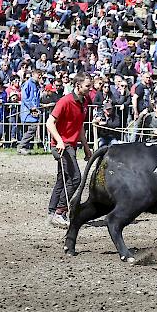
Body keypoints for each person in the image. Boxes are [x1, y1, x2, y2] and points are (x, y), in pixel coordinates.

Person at [45, 72, 93, 227]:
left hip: (71, 145)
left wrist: (86, 148)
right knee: (75, 178)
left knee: (63, 179)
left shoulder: (84, 102)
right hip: (61, 146)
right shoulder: (64, 101)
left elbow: (79, 127)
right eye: (87, 86)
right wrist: (59, 141)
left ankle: (53, 211)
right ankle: (60, 211)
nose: (89, 88)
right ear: (78, 85)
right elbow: (49, 123)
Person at [17, 69, 42, 155]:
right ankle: (21, 146)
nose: (40, 77)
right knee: (32, 128)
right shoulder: (28, 83)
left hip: (34, 112)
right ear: (33, 74)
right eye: (38, 75)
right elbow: (24, 97)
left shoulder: (37, 85)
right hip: (28, 112)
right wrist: (32, 107)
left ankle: (24, 147)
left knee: (31, 129)